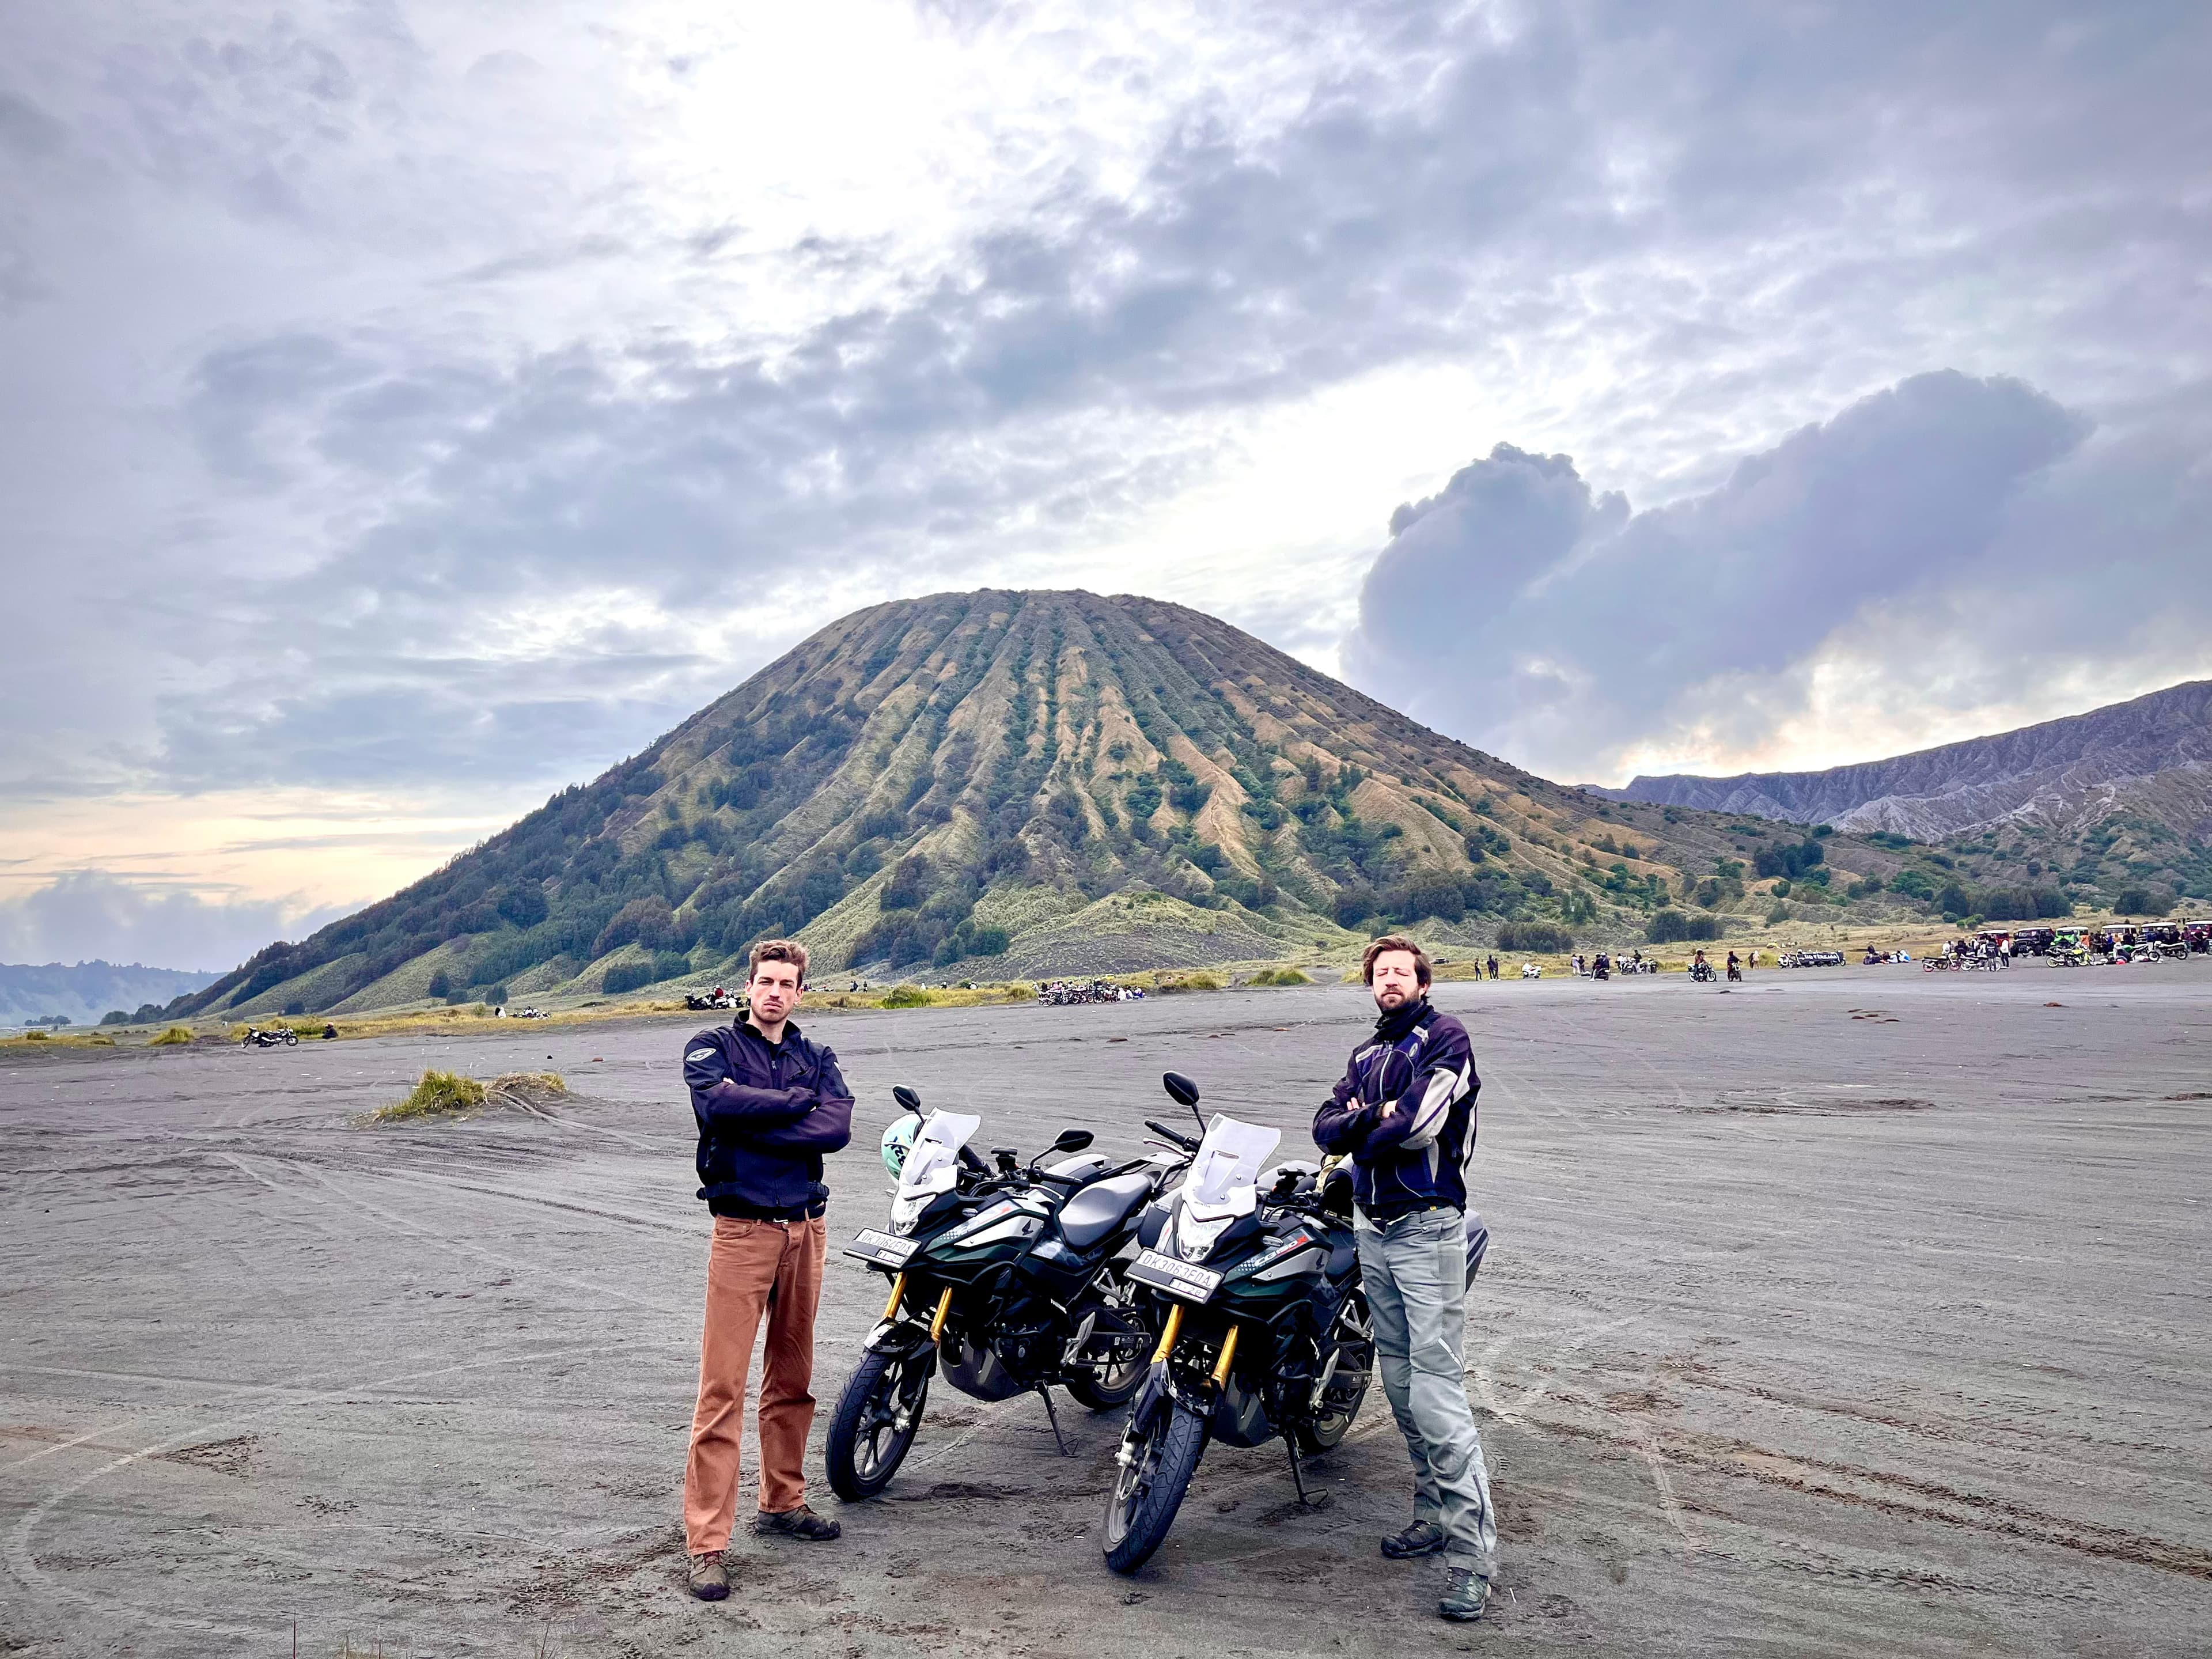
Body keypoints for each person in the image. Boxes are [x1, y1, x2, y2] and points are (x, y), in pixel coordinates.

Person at [1313, 935, 1495, 1623]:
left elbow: (1421, 1125)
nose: (1390, 980)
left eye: (1401, 971)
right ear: (1370, 985)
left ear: (1421, 981)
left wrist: (1367, 1124)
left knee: (1439, 1394)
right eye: (1379, 973)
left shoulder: (1445, 1037)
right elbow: (1323, 1128)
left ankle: (1471, 1559)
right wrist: (1371, 1118)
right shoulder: (1363, 1056)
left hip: (1426, 1226)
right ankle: (1430, 1512)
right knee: (1399, 1384)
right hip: (1372, 1231)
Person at [680, 940, 855, 1602]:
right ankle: (707, 1544)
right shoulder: (712, 1046)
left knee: (793, 1375)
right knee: (721, 1387)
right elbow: (717, 1108)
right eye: (765, 982)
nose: (775, 992)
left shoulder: (818, 1057)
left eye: (787, 983)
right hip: (743, 1230)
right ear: (746, 987)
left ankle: (782, 1502)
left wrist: (761, 1116)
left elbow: (836, 1128)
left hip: (805, 1229)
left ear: (801, 992)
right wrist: (793, 1106)